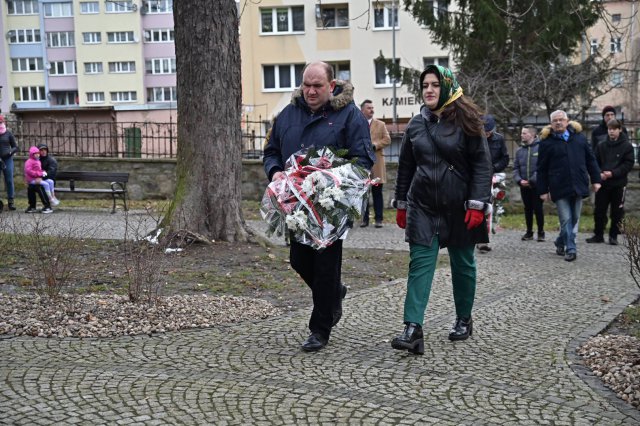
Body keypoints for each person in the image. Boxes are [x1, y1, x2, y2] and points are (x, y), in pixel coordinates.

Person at [263, 61, 375, 352]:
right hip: (296, 205)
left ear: (331, 85)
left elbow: (363, 160)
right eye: (306, 85)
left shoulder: (349, 115)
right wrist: (275, 171)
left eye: (317, 86)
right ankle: (334, 295)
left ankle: (320, 329)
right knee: (299, 260)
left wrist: (332, 179)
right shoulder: (288, 114)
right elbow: (272, 150)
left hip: (331, 206)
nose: (311, 91)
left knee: (325, 265)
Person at [390, 64, 492, 355]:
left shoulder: (468, 121)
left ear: (446, 86)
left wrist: (477, 204)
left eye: (435, 84)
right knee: (420, 263)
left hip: (460, 206)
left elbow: (482, 166)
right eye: (425, 86)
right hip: (423, 205)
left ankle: (464, 318)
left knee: (463, 264)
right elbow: (406, 167)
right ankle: (413, 329)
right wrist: (401, 203)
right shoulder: (415, 125)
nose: (429, 90)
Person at [537, 110, 601, 262]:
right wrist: (543, 190)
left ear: (567, 121)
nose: (558, 122)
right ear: (551, 124)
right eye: (555, 121)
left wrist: (596, 179)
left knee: (575, 217)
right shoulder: (547, 142)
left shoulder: (579, 138)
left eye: (561, 120)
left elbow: (591, 160)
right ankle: (571, 249)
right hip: (559, 186)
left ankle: (560, 241)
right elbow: (541, 169)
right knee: (566, 219)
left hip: (578, 184)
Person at [586, 119, 634, 245]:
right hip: (603, 183)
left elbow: (628, 164)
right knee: (599, 210)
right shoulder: (601, 145)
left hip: (618, 184)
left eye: (614, 129)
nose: (611, 131)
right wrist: (599, 174)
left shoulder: (627, 146)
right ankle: (598, 234)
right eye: (609, 129)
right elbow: (594, 161)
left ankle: (613, 236)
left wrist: (613, 173)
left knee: (617, 212)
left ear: (619, 130)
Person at [476, 114, 509, 253]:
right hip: (477, 177)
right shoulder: (474, 139)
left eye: (489, 131)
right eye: (484, 130)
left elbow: (505, 158)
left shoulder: (499, 139)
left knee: (490, 209)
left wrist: (494, 168)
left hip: (493, 178)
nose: (486, 133)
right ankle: (478, 239)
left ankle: (484, 239)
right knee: (478, 207)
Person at [359, 99, 391, 228]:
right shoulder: (358, 124)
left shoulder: (380, 124)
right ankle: (364, 219)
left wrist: (375, 145)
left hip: (377, 163)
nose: (372, 110)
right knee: (364, 194)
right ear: (362, 110)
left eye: (372, 108)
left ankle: (379, 219)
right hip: (363, 164)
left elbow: (387, 140)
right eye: (369, 108)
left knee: (377, 193)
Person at [513, 126, 545, 242]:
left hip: (537, 185)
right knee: (528, 209)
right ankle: (529, 232)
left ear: (532, 134)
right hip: (524, 186)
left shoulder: (541, 148)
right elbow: (515, 168)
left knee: (538, 208)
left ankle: (541, 232)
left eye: (524, 133)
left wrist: (532, 180)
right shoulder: (519, 150)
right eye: (522, 133)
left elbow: (542, 167)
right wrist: (519, 180)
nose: (522, 135)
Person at [23, 146, 54, 214]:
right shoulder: (31, 161)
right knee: (31, 188)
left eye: (38, 153)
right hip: (34, 179)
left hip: (42, 179)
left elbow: (51, 172)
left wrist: (42, 174)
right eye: (36, 153)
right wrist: (40, 174)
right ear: (32, 154)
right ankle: (32, 206)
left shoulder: (49, 160)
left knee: (40, 187)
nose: (39, 154)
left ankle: (47, 205)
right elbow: (29, 171)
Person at [0, 114, 19, 211]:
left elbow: (16, 147)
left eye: (0, 122)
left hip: (7, 159)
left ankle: (11, 201)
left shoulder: (8, 133)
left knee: (9, 180)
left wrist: (10, 152)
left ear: (3, 122)